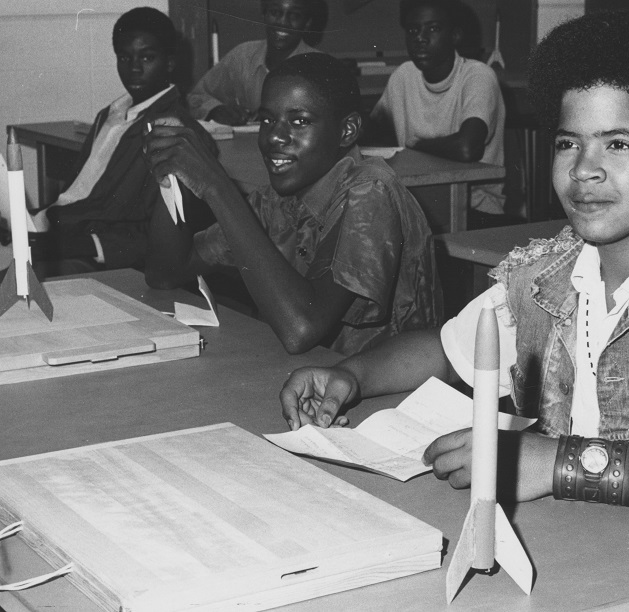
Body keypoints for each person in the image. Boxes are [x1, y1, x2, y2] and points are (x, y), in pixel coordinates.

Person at [280, 12, 629, 546]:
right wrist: (350, 375)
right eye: (567, 143)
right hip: (580, 552)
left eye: (618, 143)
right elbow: (450, 351)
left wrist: (559, 462)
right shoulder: (545, 274)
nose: (584, 168)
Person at [144, 53, 441, 356]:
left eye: (299, 121)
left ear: (347, 130)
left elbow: (301, 329)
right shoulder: (279, 201)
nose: (274, 135)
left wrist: (216, 186)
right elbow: (166, 272)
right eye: (267, 119)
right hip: (305, 380)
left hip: (386, 395)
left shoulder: (371, 191)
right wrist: (175, 172)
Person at [27, 7, 216, 276]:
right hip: (56, 231)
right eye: (125, 58)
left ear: (170, 62)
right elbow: (78, 196)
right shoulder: (110, 114)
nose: (134, 68)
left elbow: (160, 236)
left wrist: (70, 245)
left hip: (101, 257)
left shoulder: (176, 133)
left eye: (147, 57)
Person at [367, 0, 507, 216]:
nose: (420, 38)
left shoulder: (478, 76)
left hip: (474, 208)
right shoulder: (404, 76)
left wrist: (415, 144)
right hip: (417, 203)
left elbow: (467, 147)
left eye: (433, 28)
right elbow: (370, 136)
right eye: (413, 30)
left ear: (455, 35)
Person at [187, 0, 328, 126]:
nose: (283, 22)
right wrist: (215, 110)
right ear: (264, 15)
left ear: (307, 22)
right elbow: (195, 97)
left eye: (295, 15)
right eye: (275, 12)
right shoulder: (242, 56)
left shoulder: (320, 66)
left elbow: (328, 119)